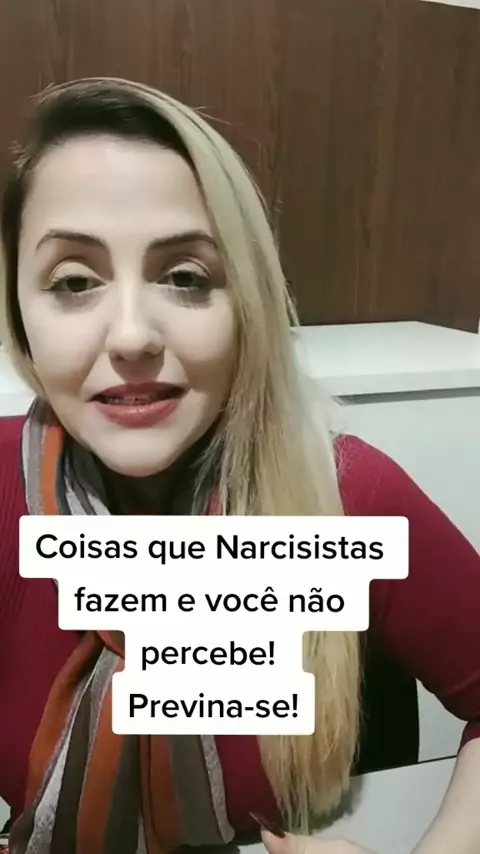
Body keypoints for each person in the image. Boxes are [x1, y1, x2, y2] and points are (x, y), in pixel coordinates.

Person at [0, 77, 479, 854]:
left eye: (185, 278)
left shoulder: (348, 496)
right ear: (21, 317)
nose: (132, 336)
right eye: (75, 282)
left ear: (246, 304)